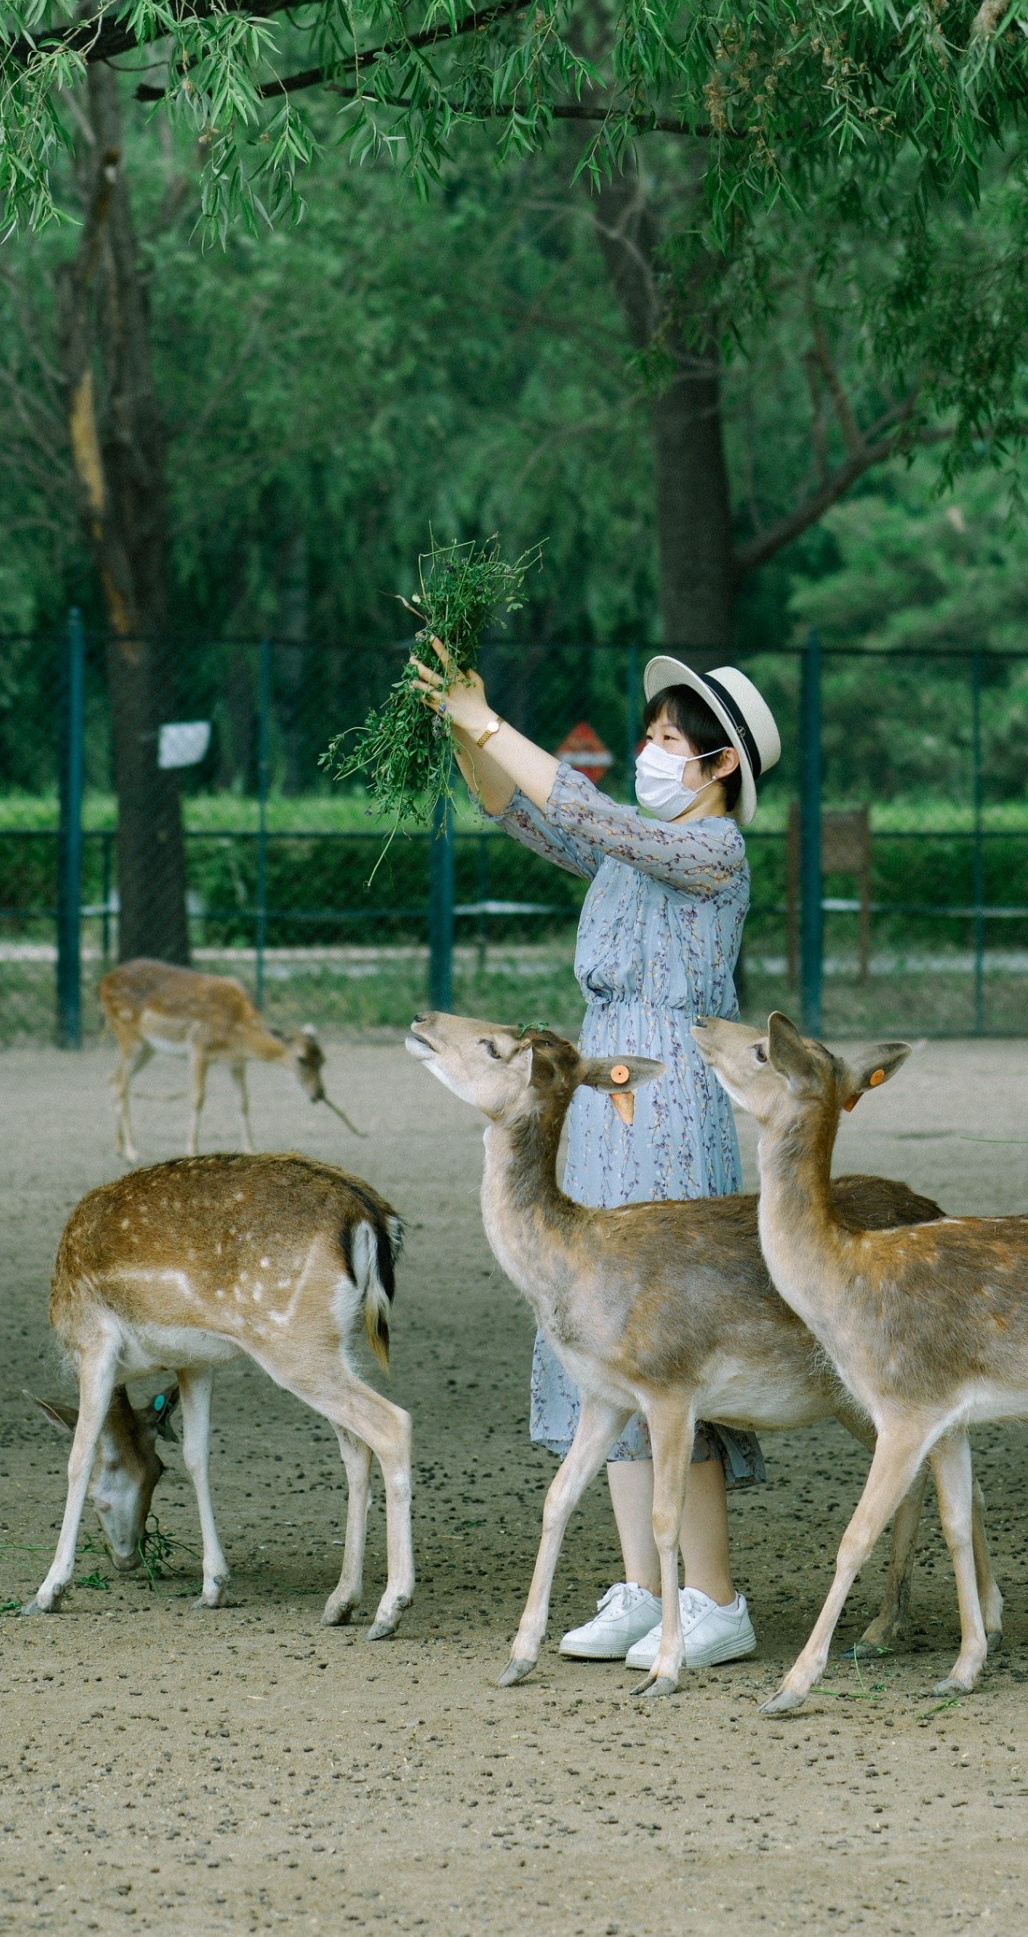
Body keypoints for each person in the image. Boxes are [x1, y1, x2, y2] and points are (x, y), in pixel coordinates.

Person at [426, 648, 782, 1676]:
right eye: (651, 736)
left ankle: (713, 1599)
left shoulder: (711, 852)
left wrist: (488, 722)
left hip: (666, 1097)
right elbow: (519, 811)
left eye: (668, 741)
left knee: (666, 1339)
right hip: (596, 1100)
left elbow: (579, 809)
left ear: (717, 766)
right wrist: (461, 725)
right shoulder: (637, 853)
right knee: (603, 1343)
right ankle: (643, 1586)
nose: (648, 753)